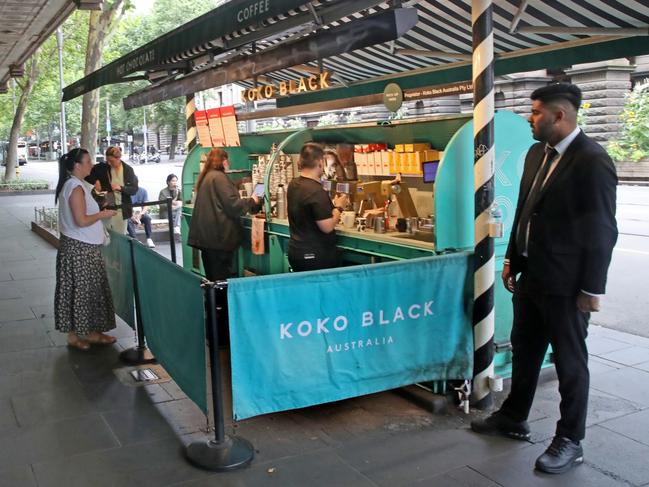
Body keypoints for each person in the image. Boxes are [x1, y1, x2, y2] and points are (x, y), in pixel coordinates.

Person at [470, 83, 618, 475]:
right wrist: (512, 260)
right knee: (525, 349)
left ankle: (570, 439)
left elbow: (603, 229)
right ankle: (514, 417)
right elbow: (525, 209)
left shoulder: (593, 160)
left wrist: (591, 289)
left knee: (570, 362)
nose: (530, 119)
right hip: (532, 275)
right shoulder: (537, 153)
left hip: (568, 285)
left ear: (560, 116)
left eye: (536, 112)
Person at [54, 148, 118, 351]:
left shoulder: (75, 185)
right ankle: (77, 335)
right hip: (80, 249)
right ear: (77, 165)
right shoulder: (75, 187)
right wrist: (102, 214)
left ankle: (89, 332)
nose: (91, 165)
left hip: (79, 247)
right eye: (88, 162)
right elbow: (81, 220)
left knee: (83, 291)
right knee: (82, 292)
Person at [188, 148, 260, 281]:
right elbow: (233, 205)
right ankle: (222, 302)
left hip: (207, 239)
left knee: (212, 279)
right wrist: (252, 201)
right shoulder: (220, 177)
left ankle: (213, 302)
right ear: (224, 161)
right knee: (220, 279)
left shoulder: (207, 176)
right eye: (228, 161)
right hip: (218, 239)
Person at [287, 143, 349, 272]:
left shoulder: (293, 184)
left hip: (296, 252)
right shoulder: (316, 191)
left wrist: (329, 205)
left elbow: (308, 211)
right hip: (314, 256)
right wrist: (339, 207)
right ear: (321, 162)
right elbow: (327, 227)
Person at [86, 146, 139, 234]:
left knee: (120, 237)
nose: (109, 163)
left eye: (112, 161)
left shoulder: (128, 170)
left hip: (121, 210)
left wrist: (120, 188)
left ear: (118, 158)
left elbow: (134, 189)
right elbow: (86, 173)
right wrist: (95, 181)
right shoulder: (102, 167)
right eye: (107, 160)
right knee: (104, 236)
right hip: (106, 208)